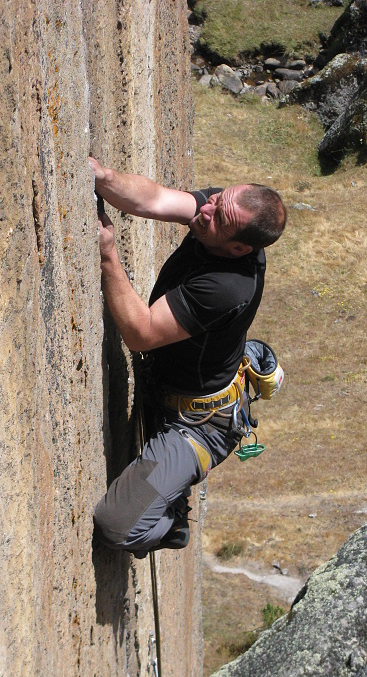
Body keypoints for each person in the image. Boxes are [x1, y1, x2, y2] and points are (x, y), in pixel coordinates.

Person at [90, 156, 286, 557]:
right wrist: (103, 178)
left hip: (197, 426)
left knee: (116, 526)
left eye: (218, 217)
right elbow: (156, 200)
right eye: (215, 200)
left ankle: (170, 520)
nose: (206, 209)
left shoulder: (228, 287)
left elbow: (141, 333)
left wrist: (107, 253)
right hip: (177, 384)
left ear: (238, 247)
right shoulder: (221, 213)